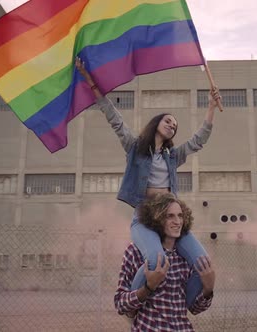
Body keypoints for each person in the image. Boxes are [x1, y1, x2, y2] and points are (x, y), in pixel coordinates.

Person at [76, 58, 220, 307]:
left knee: (203, 264)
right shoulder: (135, 148)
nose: (172, 126)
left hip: (170, 216)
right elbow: (114, 117)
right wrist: (90, 81)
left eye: (175, 126)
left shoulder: (173, 157)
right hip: (144, 215)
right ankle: (135, 307)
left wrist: (210, 107)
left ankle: (181, 309)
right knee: (156, 260)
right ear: (156, 123)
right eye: (168, 121)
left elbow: (198, 140)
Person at [114, 193, 215, 331]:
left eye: (180, 216)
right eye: (170, 216)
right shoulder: (135, 252)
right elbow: (120, 304)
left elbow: (195, 309)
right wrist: (148, 288)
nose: (178, 221)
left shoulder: (187, 257)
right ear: (156, 219)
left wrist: (208, 290)